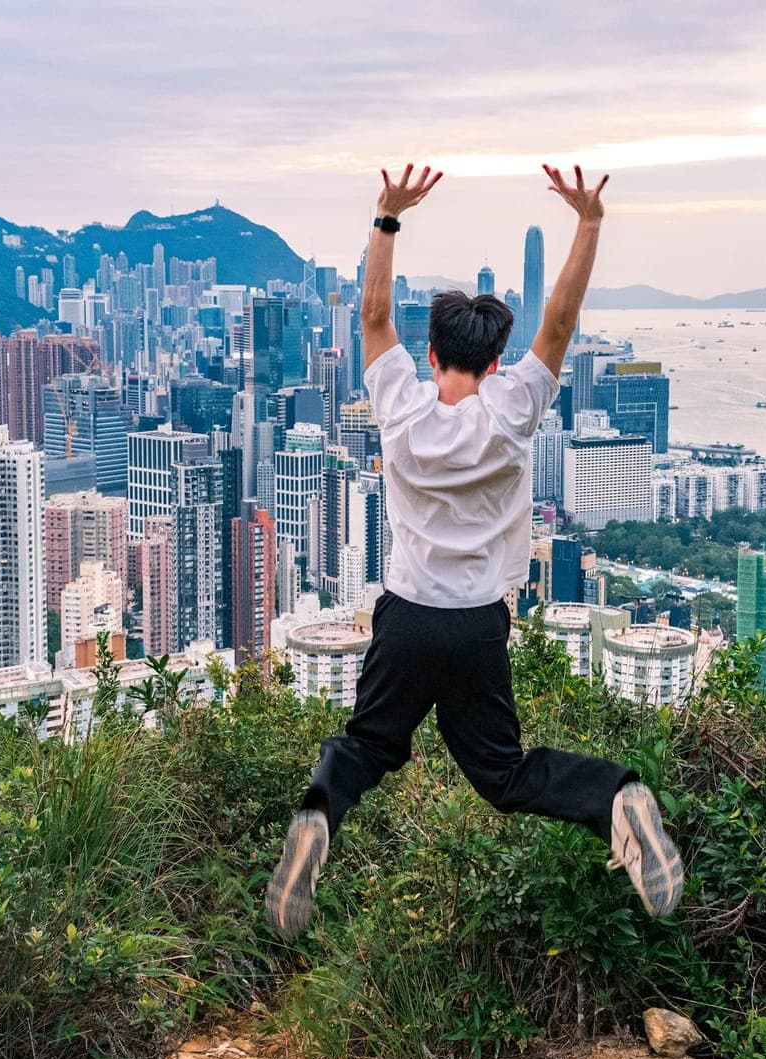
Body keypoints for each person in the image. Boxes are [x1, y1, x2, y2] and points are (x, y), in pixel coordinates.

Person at [265, 163, 685, 938]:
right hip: (477, 624)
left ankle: (320, 812)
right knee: (504, 772)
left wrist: (386, 219)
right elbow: (559, 323)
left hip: (406, 618)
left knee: (368, 744)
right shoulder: (513, 411)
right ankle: (615, 799)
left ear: (431, 356)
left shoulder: (397, 404)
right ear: (497, 364)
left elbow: (372, 316)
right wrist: (589, 223)